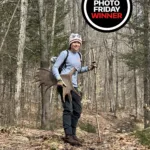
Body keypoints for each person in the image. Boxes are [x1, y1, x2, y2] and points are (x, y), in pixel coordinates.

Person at [52, 33, 96, 146]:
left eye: (78, 42)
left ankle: (73, 134)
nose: (76, 44)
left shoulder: (79, 55)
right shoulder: (64, 53)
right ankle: (68, 135)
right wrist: (59, 79)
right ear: (71, 43)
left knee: (77, 110)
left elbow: (77, 70)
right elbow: (55, 67)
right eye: (74, 42)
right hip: (64, 84)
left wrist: (89, 68)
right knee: (68, 109)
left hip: (74, 86)